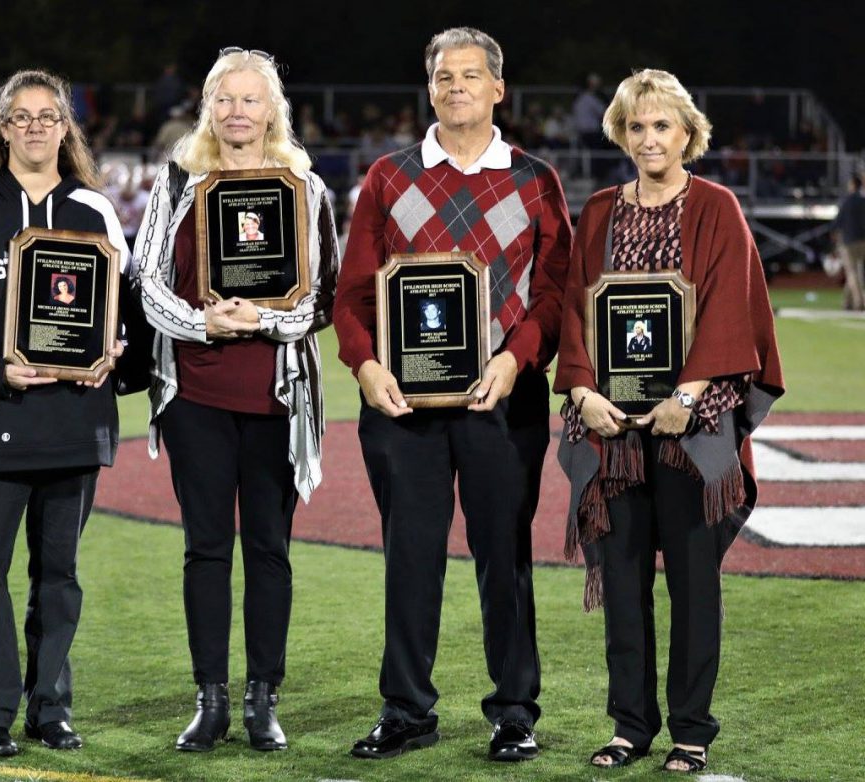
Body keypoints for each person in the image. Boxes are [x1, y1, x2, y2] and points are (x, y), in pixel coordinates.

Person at [334, 27, 572, 763]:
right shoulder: (387, 177)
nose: (457, 86)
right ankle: (406, 709)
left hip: (506, 401)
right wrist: (366, 367)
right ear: (429, 88)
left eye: (472, 76)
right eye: (444, 76)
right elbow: (351, 296)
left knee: (505, 558)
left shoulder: (535, 178)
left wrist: (517, 359)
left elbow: (558, 291)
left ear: (499, 89)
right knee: (410, 556)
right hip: (403, 408)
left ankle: (514, 711)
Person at [553, 69, 784, 774]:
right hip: (615, 432)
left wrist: (684, 397)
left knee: (692, 586)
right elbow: (574, 306)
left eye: (661, 126)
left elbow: (731, 308)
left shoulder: (715, 206)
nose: (648, 139)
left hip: (694, 427)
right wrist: (584, 388)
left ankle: (690, 730)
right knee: (623, 587)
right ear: (620, 134)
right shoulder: (597, 211)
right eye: (635, 126)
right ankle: (630, 727)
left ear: (687, 133)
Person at [133, 47, 339, 753]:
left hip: (277, 396)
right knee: (206, 548)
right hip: (195, 392)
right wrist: (204, 322)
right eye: (224, 99)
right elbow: (147, 280)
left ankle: (262, 699)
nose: (237, 112)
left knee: (269, 548)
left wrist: (263, 320)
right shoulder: (177, 179)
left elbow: (321, 296)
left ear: (273, 108)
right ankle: (211, 697)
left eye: (251, 100)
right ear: (207, 107)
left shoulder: (305, 187)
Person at [0, 69, 129, 759]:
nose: (36, 127)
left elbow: (120, 312)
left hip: (74, 419)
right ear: (2, 128)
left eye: (49, 115)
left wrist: (116, 356)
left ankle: (50, 709)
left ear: (66, 127)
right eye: (21, 116)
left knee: (59, 575)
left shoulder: (94, 211)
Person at [833, 174, 865, 311]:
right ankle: (847, 303)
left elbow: (837, 223)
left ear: (852, 185)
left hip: (849, 242)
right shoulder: (863, 201)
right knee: (857, 271)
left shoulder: (846, 201)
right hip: (863, 241)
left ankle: (859, 302)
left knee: (852, 273)